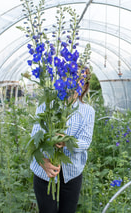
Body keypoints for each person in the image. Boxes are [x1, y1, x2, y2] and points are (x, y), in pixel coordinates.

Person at [30, 69, 95, 213]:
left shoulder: (88, 111)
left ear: (84, 86)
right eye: (71, 75)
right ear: (64, 79)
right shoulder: (48, 104)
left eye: (80, 79)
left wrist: (66, 142)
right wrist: (43, 163)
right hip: (44, 171)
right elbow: (35, 138)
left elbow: (85, 141)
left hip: (72, 172)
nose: (74, 82)